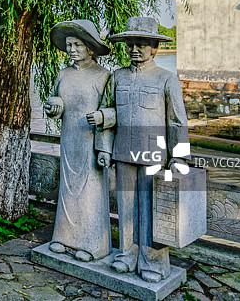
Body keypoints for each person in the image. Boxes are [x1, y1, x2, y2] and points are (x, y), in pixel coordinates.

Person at [87, 16, 189, 283]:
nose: (134, 49)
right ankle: (126, 254)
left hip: (154, 154)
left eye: (141, 44)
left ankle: (153, 261)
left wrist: (179, 156)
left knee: (152, 208)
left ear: (154, 48)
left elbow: (177, 121)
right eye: (131, 43)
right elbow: (109, 113)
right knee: (126, 206)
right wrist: (104, 147)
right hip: (123, 151)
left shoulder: (166, 79)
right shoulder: (118, 77)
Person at [43, 20, 112, 262]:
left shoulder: (103, 76)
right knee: (68, 190)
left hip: (90, 142)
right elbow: (55, 105)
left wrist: (104, 146)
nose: (71, 49)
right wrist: (53, 108)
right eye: (69, 45)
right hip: (69, 138)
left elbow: (111, 111)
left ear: (90, 48)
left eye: (77, 45)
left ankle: (92, 244)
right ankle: (63, 238)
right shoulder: (63, 75)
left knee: (91, 191)